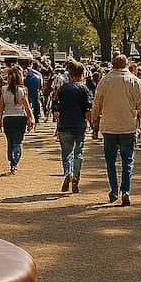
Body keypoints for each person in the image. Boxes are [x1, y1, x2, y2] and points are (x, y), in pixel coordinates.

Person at [90, 54, 141, 205]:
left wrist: (95, 121)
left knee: (110, 161)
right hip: (128, 125)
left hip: (109, 126)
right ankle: (126, 190)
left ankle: (114, 190)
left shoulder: (104, 81)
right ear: (127, 64)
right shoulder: (135, 81)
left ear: (112, 65)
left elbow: (96, 103)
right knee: (128, 159)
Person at [53, 60, 93, 194]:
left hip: (64, 125)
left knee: (66, 153)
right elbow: (88, 110)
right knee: (78, 152)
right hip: (79, 125)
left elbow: (56, 110)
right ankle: (76, 176)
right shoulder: (84, 89)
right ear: (82, 74)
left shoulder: (62, 89)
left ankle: (67, 172)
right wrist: (92, 124)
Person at [0, 67, 34, 175]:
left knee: (10, 141)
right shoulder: (22, 91)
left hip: (8, 118)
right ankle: (15, 161)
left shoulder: (3, 90)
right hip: (20, 118)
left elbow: (1, 107)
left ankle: (11, 159)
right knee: (18, 141)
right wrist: (30, 118)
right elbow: (26, 107)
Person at [24, 63, 43, 128]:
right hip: (35, 91)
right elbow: (41, 86)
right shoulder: (38, 75)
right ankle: (36, 117)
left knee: (28, 104)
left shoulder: (26, 76)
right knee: (36, 103)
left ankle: (28, 117)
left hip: (28, 91)